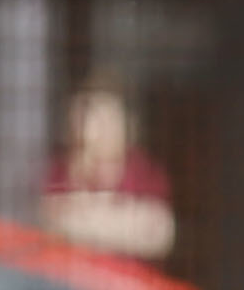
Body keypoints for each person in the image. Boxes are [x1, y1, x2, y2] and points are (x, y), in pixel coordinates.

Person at [40, 78, 176, 262]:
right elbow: (44, 224)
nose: (92, 129)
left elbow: (159, 235)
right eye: (84, 116)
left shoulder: (144, 171)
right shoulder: (56, 170)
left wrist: (82, 220)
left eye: (105, 118)